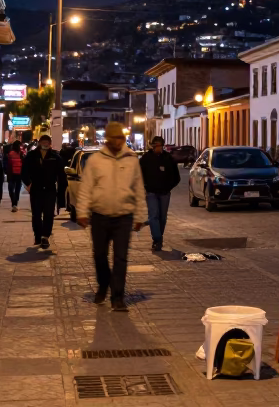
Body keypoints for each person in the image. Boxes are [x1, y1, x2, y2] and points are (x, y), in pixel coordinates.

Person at [77, 122, 146, 311]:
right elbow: (86, 188)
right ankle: (103, 283)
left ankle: (118, 297)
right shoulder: (96, 160)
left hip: (124, 216)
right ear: (107, 139)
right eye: (113, 138)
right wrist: (82, 212)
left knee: (121, 258)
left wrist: (140, 215)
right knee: (99, 255)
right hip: (100, 215)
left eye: (120, 138)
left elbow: (139, 189)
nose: (117, 141)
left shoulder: (131, 159)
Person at [21, 134, 65, 250]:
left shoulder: (55, 156)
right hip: (36, 188)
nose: (45, 144)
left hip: (50, 189)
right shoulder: (31, 156)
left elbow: (61, 175)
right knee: (36, 214)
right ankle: (38, 235)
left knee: (49, 214)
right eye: (43, 142)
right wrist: (28, 184)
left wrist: (61, 193)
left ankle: (45, 236)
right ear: (39, 143)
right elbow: (24, 171)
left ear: (50, 144)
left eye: (47, 142)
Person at [139, 135, 180, 250]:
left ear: (162, 146)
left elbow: (177, 177)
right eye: (155, 146)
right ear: (152, 146)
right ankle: (157, 239)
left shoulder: (168, 159)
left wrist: (168, 187)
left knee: (162, 217)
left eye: (159, 146)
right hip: (151, 192)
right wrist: (145, 186)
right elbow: (138, 174)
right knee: (153, 216)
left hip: (164, 193)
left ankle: (159, 237)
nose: (157, 148)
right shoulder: (145, 159)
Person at [4, 141, 24, 212]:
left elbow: (7, 164)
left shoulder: (11, 154)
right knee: (16, 190)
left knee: (11, 189)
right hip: (17, 174)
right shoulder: (20, 154)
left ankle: (14, 203)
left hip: (13, 174)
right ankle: (15, 203)